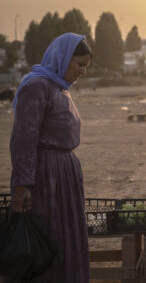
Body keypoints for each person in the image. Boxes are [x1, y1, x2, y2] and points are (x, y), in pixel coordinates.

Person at [8, 33, 92, 283]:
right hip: (43, 179)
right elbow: (24, 138)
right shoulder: (37, 86)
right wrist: (23, 185)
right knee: (47, 238)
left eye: (85, 66)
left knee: (65, 241)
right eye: (79, 64)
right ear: (62, 57)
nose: (82, 72)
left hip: (64, 177)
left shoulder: (59, 88)